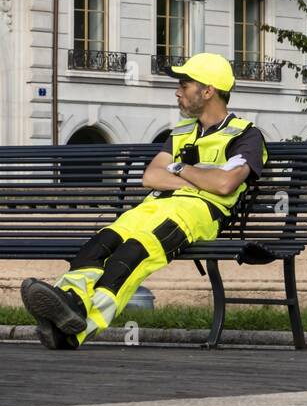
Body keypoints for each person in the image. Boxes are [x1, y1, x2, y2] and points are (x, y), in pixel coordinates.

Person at [20, 53, 267, 349]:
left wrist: (178, 169)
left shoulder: (245, 135)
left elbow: (226, 184)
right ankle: (67, 302)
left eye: (184, 84)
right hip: (155, 205)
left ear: (208, 90)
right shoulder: (181, 133)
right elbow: (151, 177)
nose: (178, 92)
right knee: (102, 242)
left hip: (198, 213)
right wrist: (200, 178)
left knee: (133, 253)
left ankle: (78, 323)